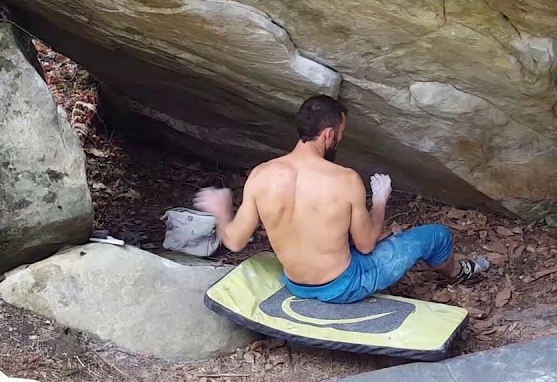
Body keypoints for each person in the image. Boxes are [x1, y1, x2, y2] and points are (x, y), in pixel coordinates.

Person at [192, 94, 489, 304]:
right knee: (436, 235)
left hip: (296, 285)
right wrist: (381, 199)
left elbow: (233, 242)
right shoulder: (345, 180)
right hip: (343, 287)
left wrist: (221, 210)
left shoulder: (261, 175)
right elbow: (366, 244)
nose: (341, 140)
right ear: (329, 134)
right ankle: (458, 273)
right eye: (341, 133)